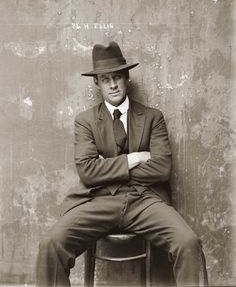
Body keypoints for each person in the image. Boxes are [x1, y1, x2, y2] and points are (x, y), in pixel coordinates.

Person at [36, 41, 208, 287]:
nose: (113, 84)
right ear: (97, 83)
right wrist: (134, 158)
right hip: (99, 201)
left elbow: (162, 169)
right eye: (106, 79)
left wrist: (107, 168)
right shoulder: (85, 121)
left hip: (144, 201)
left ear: (127, 77)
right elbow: (87, 172)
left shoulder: (152, 117)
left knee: (188, 242)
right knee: (50, 245)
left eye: (117, 77)